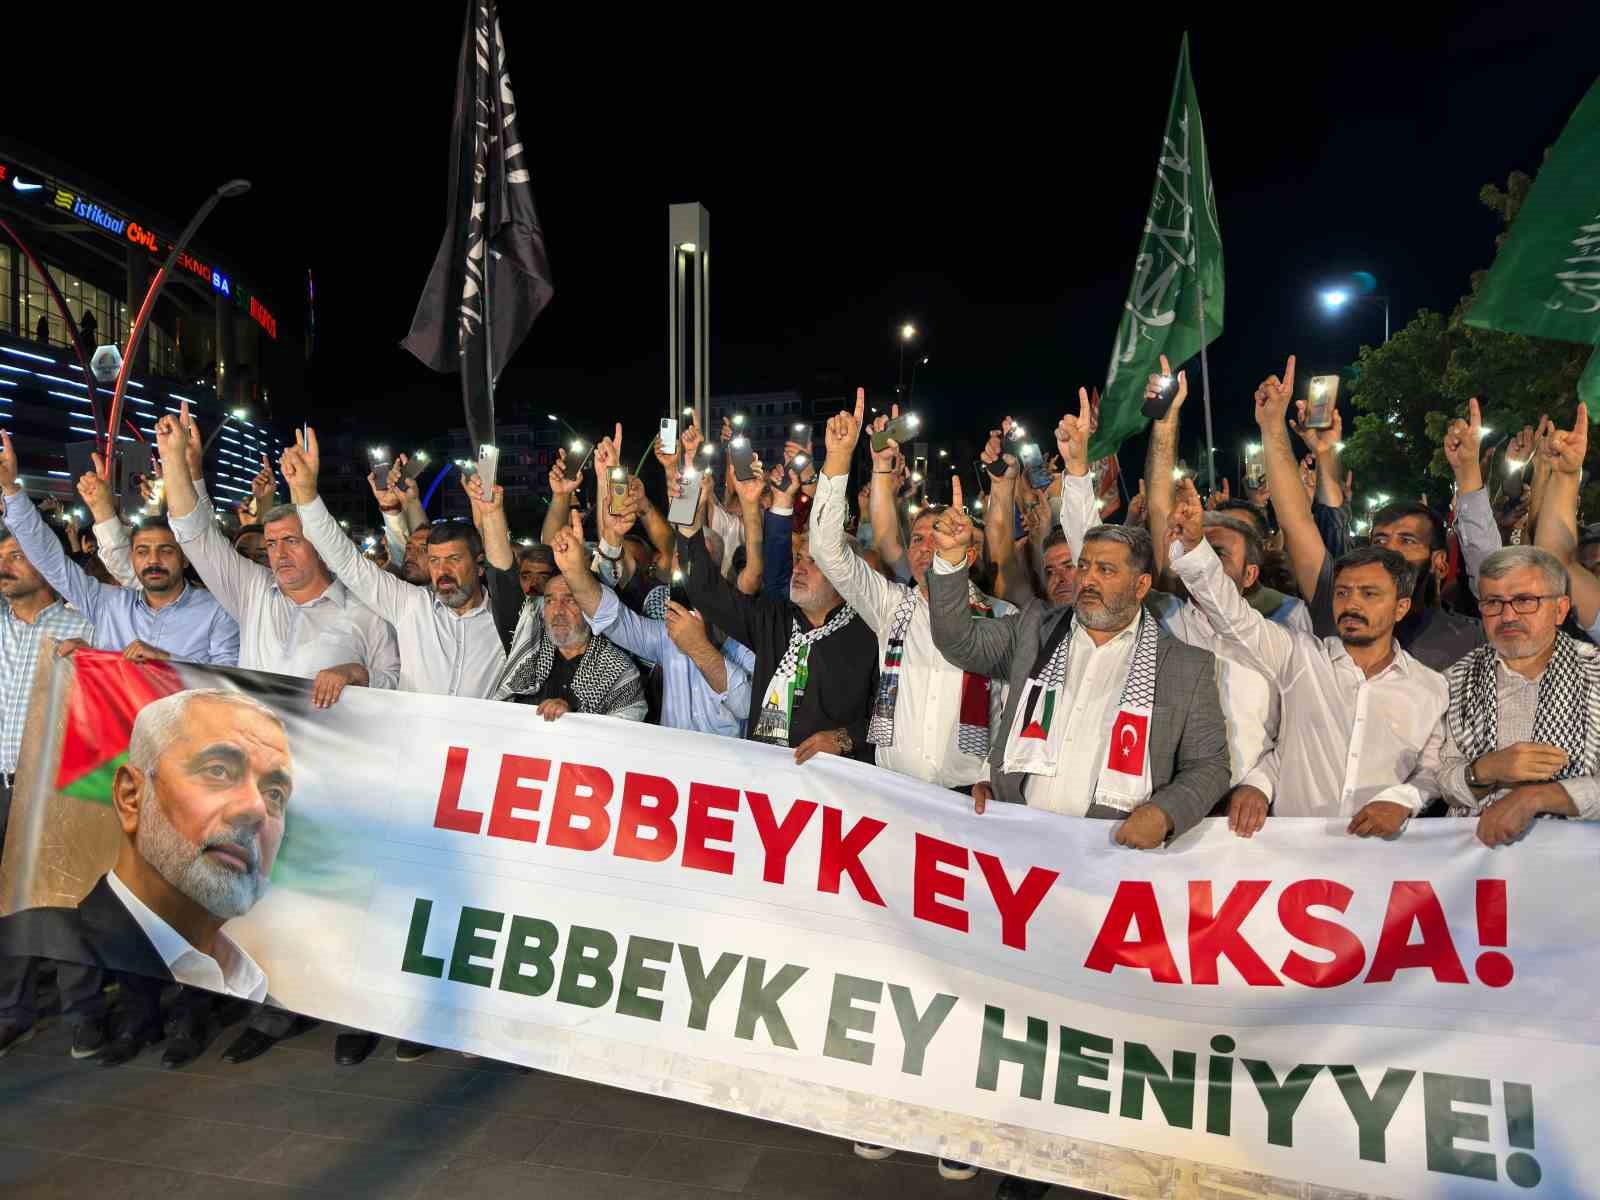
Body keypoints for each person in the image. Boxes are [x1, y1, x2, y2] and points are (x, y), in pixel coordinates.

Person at [927, 480, 1230, 846]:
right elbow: (959, 642)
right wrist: (949, 560)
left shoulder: (1185, 667)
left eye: (1106, 570)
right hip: (1014, 844)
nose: (1086, 579)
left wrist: (1165, 813)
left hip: (1108, 857)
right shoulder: (1034, 628)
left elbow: (1209, 768)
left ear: (1141, 585)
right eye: (1083, 565)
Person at [1168, 477, 1448, 830]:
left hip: (1381, 860)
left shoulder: (1430, 687)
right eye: (1343, 593)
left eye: (1370, 594)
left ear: (1401, 607)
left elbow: (1434, 769)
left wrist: (1402, 802)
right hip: (1294, 854)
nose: (1352, 604)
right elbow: (1231, 616)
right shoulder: (1300, 656)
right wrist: (1195, 548)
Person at [0, 689, 288, 1001]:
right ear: (131, 797)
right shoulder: (25, 948)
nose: (256, 809)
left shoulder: (266, 1005)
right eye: (218, 770)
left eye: (274, 794)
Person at [1255, 356, 1481, 671]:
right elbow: (1296, 522)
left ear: (1439, 562)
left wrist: (1468, 470)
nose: (1389, 550)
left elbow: (1491, 566)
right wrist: (1272, 425)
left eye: (1406, 540)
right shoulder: (1338, 610)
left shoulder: (1470, 641)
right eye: (1380, 539)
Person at [674, 440, 879, 763]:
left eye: (815, 562)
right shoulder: (775, 618)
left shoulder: (871, 634)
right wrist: (686, 510)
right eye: (799, 557)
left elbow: (894, 718)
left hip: (837, 794)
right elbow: (704, 589)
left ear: (845, 576)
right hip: (767, 784)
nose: (799, 567)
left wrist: (844, 739)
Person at [280, 427, 521, 700]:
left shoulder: (509, 618)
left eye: (454, 559)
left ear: (479, 566)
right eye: (434, 560)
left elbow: (504, 568)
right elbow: (348, 563)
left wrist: (490, 513)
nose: (442, 571)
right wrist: (307, 495)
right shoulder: (410, 604)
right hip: (411, 740)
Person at [0, 524, 107, 1063]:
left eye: (18, 556)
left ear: (46, 562)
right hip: (2, 785)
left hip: (54, 789)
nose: (7, 566)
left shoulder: (82, 624)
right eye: (2, 557)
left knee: (63, 903)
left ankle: (84, 1012)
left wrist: (94, 659)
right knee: (8, 907)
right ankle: (12, 1013)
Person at [0, 434, 239, 667]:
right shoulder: (108, 604)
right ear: (131, 557)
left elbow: (229, 681)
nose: (153, 561)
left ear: (185, 558)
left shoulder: (216, 610)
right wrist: (11, 490)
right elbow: (50, 560)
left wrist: (167, 660)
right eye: (142, 551)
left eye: (165, 551)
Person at [1438, 546, 1600, 845]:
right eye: (1493, 603)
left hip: (1580, 865)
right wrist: (1485, 770)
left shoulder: (1595, 672)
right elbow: (1441, 780)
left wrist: (1539, 796)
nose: (1507, 615)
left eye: (1525, 600)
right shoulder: (1454, 679)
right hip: (1476, 861)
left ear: (1561, 609)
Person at [492, 511, 662, 724]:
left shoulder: (619, 671)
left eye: (570, 599)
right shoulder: (528, 653)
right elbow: (500, 575)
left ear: (589, 607)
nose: (558, 610)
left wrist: (574, 717)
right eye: (550, 601)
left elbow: (624, 736)